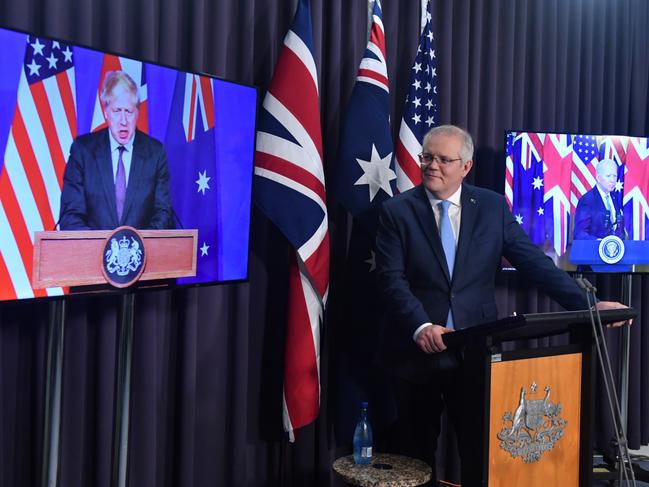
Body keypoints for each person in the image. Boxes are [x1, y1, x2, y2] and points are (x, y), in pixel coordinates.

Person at [375, 125, 628, 484]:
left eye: (444, 159)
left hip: (474, 354)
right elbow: (390, 279)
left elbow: (534, 263)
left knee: (482, 455)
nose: (432, 166)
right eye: (427, 157)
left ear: (465, 166)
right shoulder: (396, 211)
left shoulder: (491, 207)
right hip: (414, 356)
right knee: (414, 462)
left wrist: (591, 304)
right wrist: (421, 326)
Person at [59, 71, 173, 230]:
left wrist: (136, 248)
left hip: (142, 253)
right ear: (106, 112)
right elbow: (70, 216)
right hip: (93, 254)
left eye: (129, 112)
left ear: (138, 113)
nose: (123, 121)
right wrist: (104, 249)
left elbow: (163, 214)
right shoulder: (83, 151)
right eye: (117, 111)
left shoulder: (155, 153)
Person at [573, 159, 625, 240]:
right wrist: (599, 243)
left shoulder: (615, 197)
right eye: (608, 176)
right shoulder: (587, 200)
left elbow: (618, 228)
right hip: (593, 250)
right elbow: (579, 233)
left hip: (614, 250)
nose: (612, 180)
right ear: (598, 178)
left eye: (614, 176)